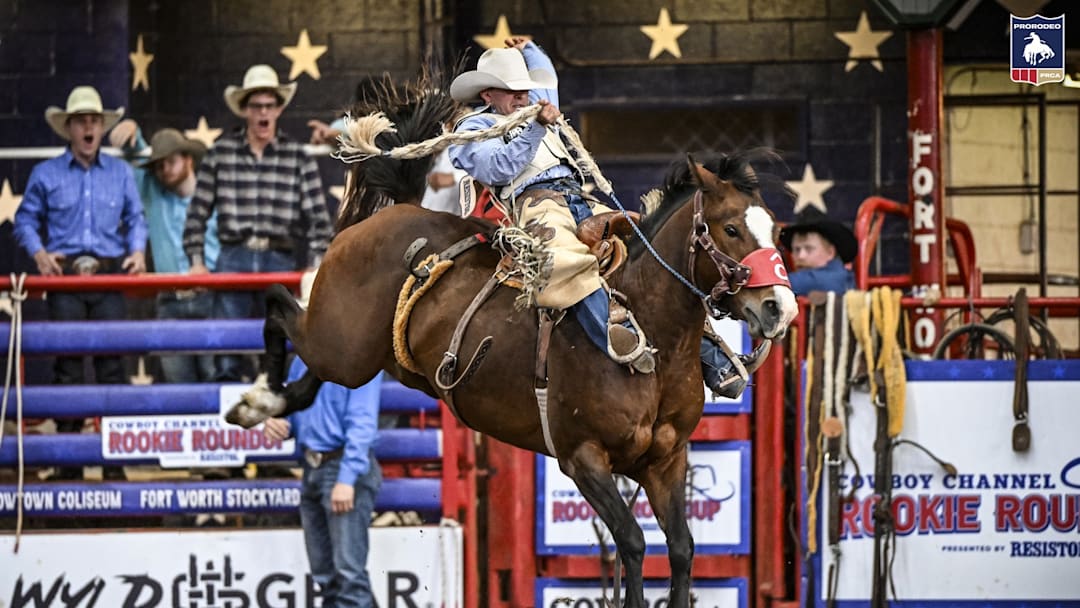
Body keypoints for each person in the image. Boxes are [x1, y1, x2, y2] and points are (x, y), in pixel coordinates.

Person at [447, 38, 755, 397]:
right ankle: (616, 339)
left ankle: (713, 357)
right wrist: (535, 128)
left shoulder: (534, 105)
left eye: (524, 90)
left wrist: (531, 49)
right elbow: (499, 168)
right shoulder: (470, 130)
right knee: (562, 260)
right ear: (488, 95)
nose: (522, 97)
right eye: (513, 91)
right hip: (536, 204)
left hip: (581, 196)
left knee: (654, 251)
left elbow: (547, 79)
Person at [14, 85, 147, 479]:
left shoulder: (121, 173)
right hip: (65, 278)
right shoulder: (46, 173)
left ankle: (113, 463)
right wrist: (38, 252)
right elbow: (24, 219)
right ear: (68, 128)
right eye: (81, 122)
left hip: (109, 275)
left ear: (101, 128)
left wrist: (137, 251)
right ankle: (67, 461)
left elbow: (136, 218)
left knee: (112, 369)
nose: (89, 128)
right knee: (68, 368)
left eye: (94, 121)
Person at [183, 64, 334, 381]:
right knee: (227, 350)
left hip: (279, 257)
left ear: (278, 110)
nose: (264, 113)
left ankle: (275, 410)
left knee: (278, 347)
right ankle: (225, 418)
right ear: (245, 110)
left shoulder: (297, 156)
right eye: (257, 106)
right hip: (233, 257)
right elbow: (196, 213)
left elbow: (320, 219)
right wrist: (197, 262)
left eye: (270, 106)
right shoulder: (220, 152)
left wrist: (315, 265)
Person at [262, 274, 382, 607]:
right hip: (321, 467)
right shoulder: (308, 359)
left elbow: (362, 423)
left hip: (337, 467)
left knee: (344, 578)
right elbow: (308, 415)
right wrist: (280, 422)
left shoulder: (352, 358)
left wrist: (347, 477)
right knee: (335, 578)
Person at [111, 122, 221, 382]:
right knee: (178, 381)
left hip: (211, 297)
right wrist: (132, 134)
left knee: (216, 377)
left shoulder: (214, 193)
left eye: (170, 161)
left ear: (189, 160)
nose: (163, 170)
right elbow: (133, 158)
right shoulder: (152, 192)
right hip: (170, 300)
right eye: (158, 165)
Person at [778, 207, 856, 296]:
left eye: (809, 249)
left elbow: (775, 285)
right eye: (796, 249)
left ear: (830, 252)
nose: (801, 256)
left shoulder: (833, 278)